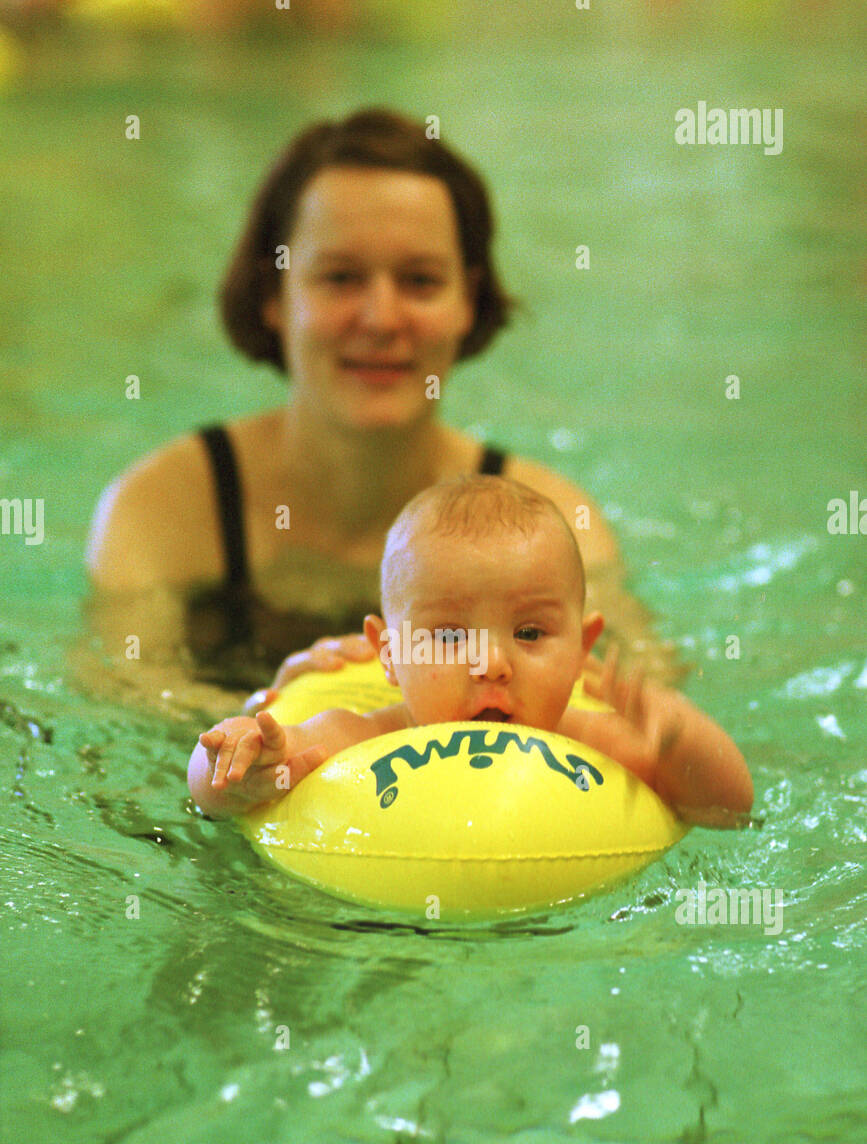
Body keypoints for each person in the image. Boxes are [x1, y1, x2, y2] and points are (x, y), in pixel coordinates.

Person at [84, 107, 677, 717]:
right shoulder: (165, 512)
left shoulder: (556, 525)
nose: (382, 319)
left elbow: (649, 714)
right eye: (340, 278)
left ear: (468, 301)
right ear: (273, 295)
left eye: (420, 280)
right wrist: (275, 725)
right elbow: (124, 702)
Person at [188, 476, 753, 829]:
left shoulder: (596, 743)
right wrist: (242, 762)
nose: (493, 664)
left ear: (583, 651)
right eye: (451, 636)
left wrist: (679, 734)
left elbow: (727, 808)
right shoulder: (355, 740)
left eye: (530, 634)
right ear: (388, 653)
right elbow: (214, 785)